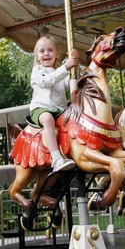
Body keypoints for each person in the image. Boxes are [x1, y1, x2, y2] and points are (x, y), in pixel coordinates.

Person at [29, 35, 79, 171]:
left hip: (60, 110)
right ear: (37, 56)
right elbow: (47, 82)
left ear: (57, 54)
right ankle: (56, 158)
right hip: (41, 108)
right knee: (48, 119)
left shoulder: (62, 72)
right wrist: (65, 67)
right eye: (42, 51)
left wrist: (75, 65)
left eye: (50, 50)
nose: (46, 53)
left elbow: (72, 86)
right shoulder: (37, 71)